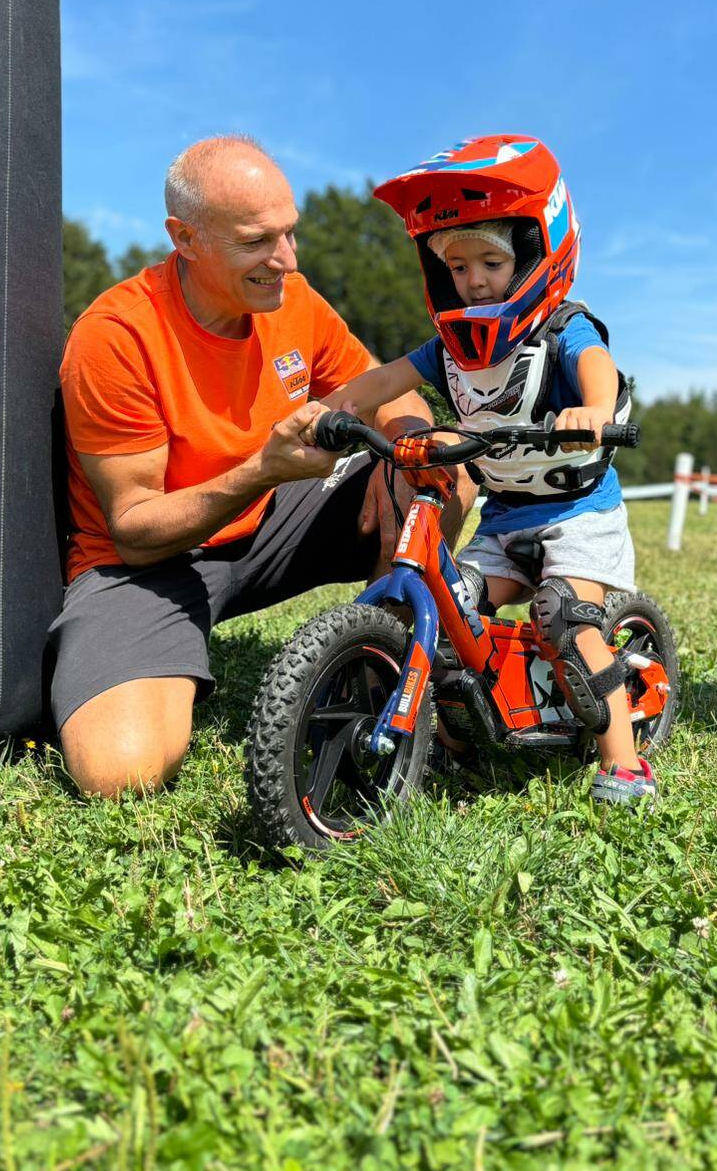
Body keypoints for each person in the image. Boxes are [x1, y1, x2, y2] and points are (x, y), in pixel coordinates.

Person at [48, 135, 469, 799]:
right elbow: (132, 527)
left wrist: (413, 444)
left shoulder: (294, 302)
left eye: (290, 234)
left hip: (268, 523)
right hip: (147, 562)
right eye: (256, 242)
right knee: (119, 773)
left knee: (433, 473)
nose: (286, 260)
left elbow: (391, 396)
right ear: (186, 239)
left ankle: (380, 677)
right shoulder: (117, 337)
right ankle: (159, 654)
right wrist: (261, 470)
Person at [319, 135, 656, 808]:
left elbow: (598, 371)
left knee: (568, 618)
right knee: (453, 606)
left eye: (493, 263)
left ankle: (624, 761)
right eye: (458, 265)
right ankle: (458, 739)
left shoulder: (562, 329)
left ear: (537, 252)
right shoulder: (449, 350)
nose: (474, 281)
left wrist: (589, 411)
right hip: (503, 520)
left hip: (577, 517)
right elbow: (385, 379)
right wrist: (331, 410)